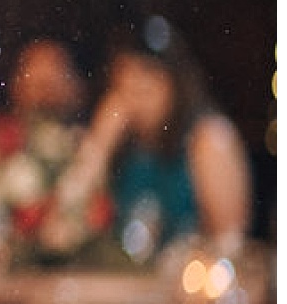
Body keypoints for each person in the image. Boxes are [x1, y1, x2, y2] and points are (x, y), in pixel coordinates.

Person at [43, 16, 253, 261]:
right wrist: (101, 140)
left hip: (184, 285)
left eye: (147, 88)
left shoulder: (208, 138)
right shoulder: (122, 144)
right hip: (127, 283)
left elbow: (230, 242)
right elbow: (64, 221)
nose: (137, 103)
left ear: (175, 84)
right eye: (125, 90)